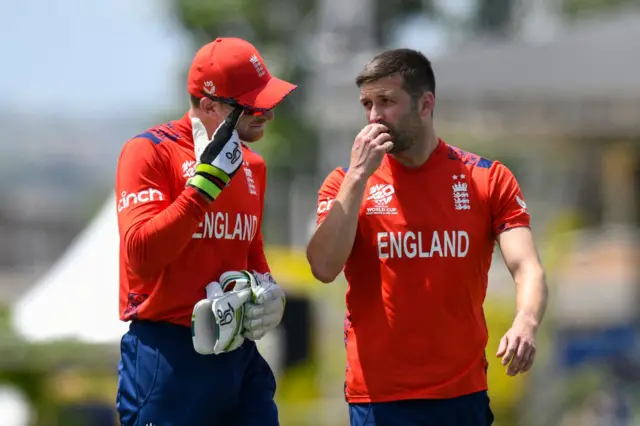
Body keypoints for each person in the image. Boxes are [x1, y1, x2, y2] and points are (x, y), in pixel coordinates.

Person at [306, 48, 548, 426]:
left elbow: (527, 267)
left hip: (461, 395)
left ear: (425, 104)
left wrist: (526, 323)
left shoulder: (488, 179)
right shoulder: (345, 183)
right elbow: (322, 266)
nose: (374, 116)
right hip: (379, 398)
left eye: (387, 101)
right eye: (367, 104)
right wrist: (357, 178)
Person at [115, 37, 295, 426]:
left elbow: (249, 247)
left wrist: (269, 290)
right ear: (211, 106)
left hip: (238, 354)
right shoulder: (149, 152)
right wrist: (202, 188)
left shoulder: (253, 165)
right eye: (252, 105)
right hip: (169, 358)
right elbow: (141, 257)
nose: (266, 113)